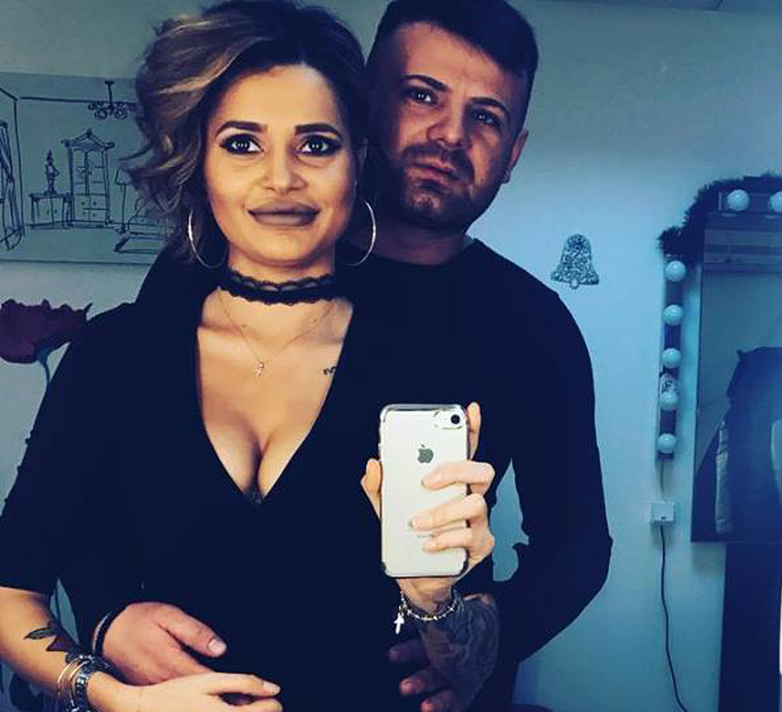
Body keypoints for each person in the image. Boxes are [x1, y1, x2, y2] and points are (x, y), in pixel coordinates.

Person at [72, 1, 614, 711]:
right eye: (422, 96)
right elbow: (99, 473)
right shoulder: (206, 271)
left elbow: (577, 550)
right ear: (364, 108)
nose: (450, 135)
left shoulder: (531, 326)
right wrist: (108, 613)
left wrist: (483, 642)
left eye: (486, 117)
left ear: (512, 152)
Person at [0, 2, 500, 711]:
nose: (281, 178)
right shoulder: (114, 355)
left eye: (316, 145)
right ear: (199, 163)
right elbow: (11, 588)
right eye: (242, 144)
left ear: (358, 162)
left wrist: (436, 600)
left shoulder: (428, 360)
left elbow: (471, 660)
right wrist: (113, 695)